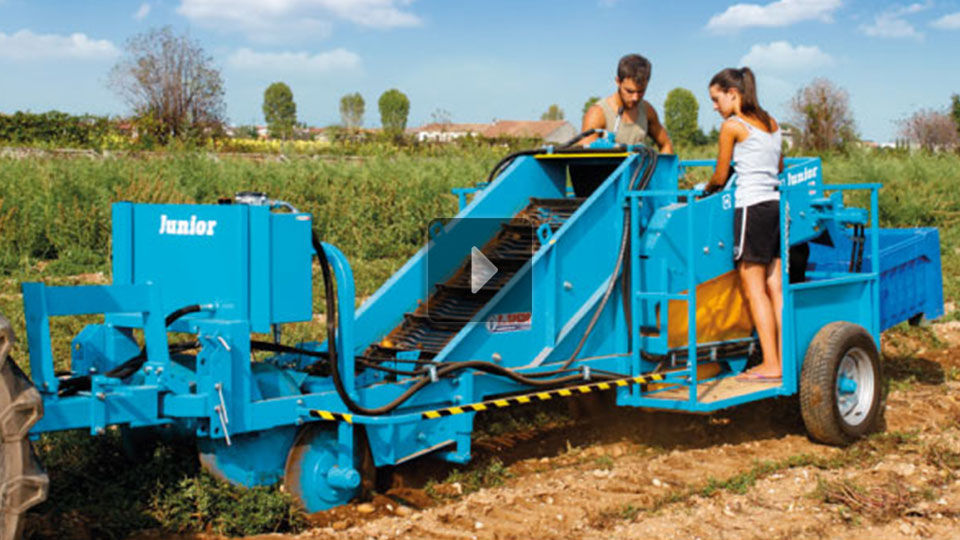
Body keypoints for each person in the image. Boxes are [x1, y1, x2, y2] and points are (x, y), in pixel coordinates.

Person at [703, 67, 783, 382]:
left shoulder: (732, 126)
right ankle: (784, 359)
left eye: (716, 98)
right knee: (775, 286)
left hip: (750, 207)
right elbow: (778, 166)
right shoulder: (772, 124)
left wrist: (705, 190)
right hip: (774, 206)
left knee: (753, 289)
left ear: (732, 94)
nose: (714, 106)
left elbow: (721, 177)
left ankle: (771, 364)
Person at [580, 54, 673, 153]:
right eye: (629, 91)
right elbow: (583, 158)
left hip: (640, 168)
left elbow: (666, 144)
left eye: (641, 91)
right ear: (618, 82)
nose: (635, 98)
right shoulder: (598, 114)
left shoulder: (647, 111)